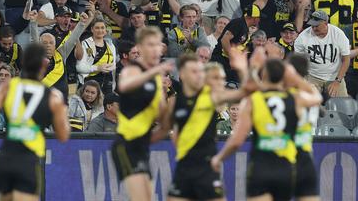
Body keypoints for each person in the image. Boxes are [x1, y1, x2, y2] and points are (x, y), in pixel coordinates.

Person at [211, 57, 322, 201]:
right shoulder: (295, 98)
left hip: (260, 167)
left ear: (265, 75)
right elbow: (317, 97)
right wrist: (294, 77)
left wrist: (219, 158)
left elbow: (237, 140)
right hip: (286, 167)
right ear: (284, 76)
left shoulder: (253, 100)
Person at [0, 43, 70, 201]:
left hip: (5, 157)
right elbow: (63, 136)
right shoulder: (53, 96)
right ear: (44, 64)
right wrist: (62, 114)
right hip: (28, 159)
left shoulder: (9, 86)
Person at [160, 51, 254, 201]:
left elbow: (246, 91)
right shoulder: (176, 102)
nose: (198, 75)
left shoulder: (211, 96)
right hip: (184, 169)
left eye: (199, 71)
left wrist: (243, 69)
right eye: (193, 71)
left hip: (206, 168)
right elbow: (171, 131)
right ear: (182, 74)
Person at [111, 26, 174, 201]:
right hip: (126, 144)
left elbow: (163, 120)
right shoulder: (133, 70)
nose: (155, 49)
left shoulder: (156, 81)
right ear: (140, 47)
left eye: (157, 44)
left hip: (140, 147)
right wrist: (154, 71)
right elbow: (125, 86)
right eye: (150, 44)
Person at [294, 10, 351, 99]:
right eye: (312, 25)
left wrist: (337, 81)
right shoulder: (303, 37)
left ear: (325, 23)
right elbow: (298, 62)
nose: (314, 28)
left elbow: (346, 59)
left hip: (335, 77)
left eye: (317, 25)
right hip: (312, 77)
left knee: (342, 106)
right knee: (307, 105)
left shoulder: (338, 34)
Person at [211, 5, 261, 84]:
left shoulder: (244, 26)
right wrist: (233, 58)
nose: (259, 20)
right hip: (220, 59)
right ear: (255, 18)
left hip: (226, 62)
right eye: (259, 18)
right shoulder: (238, 23)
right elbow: (225, 39)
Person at [76, 19, 117, 93]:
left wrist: (109, 67)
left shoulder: (111, 45)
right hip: (89, 84)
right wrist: (97, 68)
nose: (100, 30)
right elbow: (79, 67)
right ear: (92, 29)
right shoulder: (85, 44)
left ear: (105, 30)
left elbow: (114, 65)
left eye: (102, 28)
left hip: (107, 84)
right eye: (97, 28)